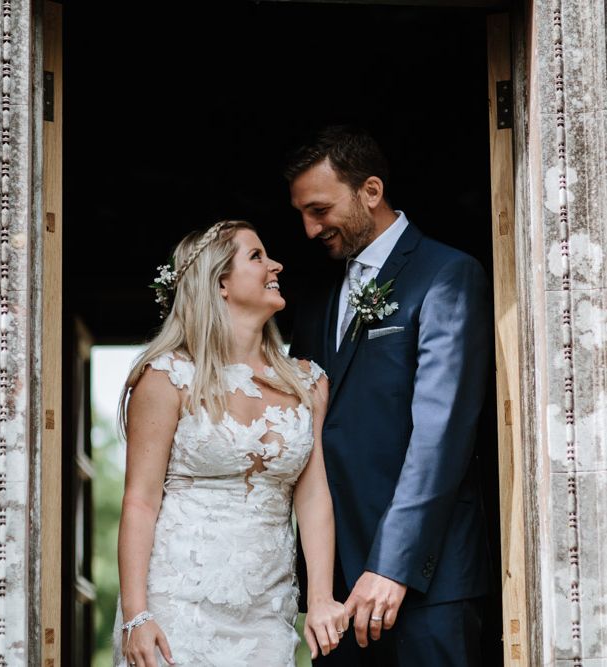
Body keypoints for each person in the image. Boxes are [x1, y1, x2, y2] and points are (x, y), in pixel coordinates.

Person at [285, 125, 492, 666]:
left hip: (427, 579)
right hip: (334, 591)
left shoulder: (446, 275)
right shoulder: (314, 300)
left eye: (320, 210)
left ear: (370, 192)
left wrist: (394, 563)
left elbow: (440, 433)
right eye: (302, 214)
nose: (309, 230)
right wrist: (320, 583)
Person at [113, 220, 348, 667]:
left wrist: (320, 598)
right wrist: (135, 614)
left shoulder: (307, 382)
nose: (276, 264)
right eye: (257, 256)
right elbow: (140, 502)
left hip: (266, 608)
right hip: (177, 604)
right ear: (220, 282)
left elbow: (314, 495)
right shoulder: (167, 378)